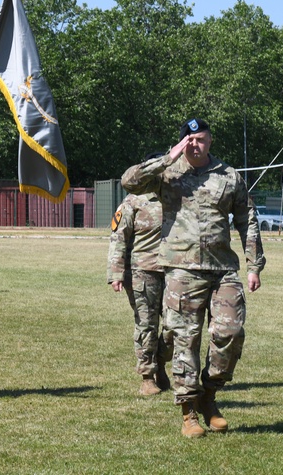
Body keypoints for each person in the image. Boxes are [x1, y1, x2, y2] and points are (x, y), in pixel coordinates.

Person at [121, 118, 265, 438]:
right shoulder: (168, 173)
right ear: (183, 142)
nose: (195, 145)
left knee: (230, 332)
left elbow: (248, 220)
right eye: (190, 140)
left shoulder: (228, 176)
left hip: (223, 269)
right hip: (182, 269)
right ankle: (189, 411)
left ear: (210, 140)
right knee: (185, 338)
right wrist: (168, 157)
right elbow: (129, 181)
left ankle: (209, 396)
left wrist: (254, 265)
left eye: (201, 139)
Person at [107, 161, 172, 396]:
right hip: (142, 272)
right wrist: (116, 273)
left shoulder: (176, 196)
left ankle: (162, 363)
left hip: (176, 271)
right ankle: (147, 376)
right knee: (147, 325)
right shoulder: (133, 201)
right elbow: (118, 238)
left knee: (175, 326)